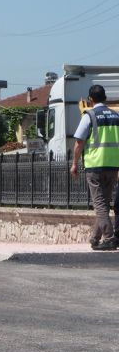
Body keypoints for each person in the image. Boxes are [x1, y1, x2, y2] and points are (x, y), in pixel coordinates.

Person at [70, 84, 119, 250]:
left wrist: (75, 163)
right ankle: (95, 238)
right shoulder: (116, 115)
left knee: (99, 204)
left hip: (95, 166)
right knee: (103, 203)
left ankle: (110, 238)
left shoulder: (89, 115)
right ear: (105, 97)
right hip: (113, 165)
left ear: (90, 99)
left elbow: (79, 142)